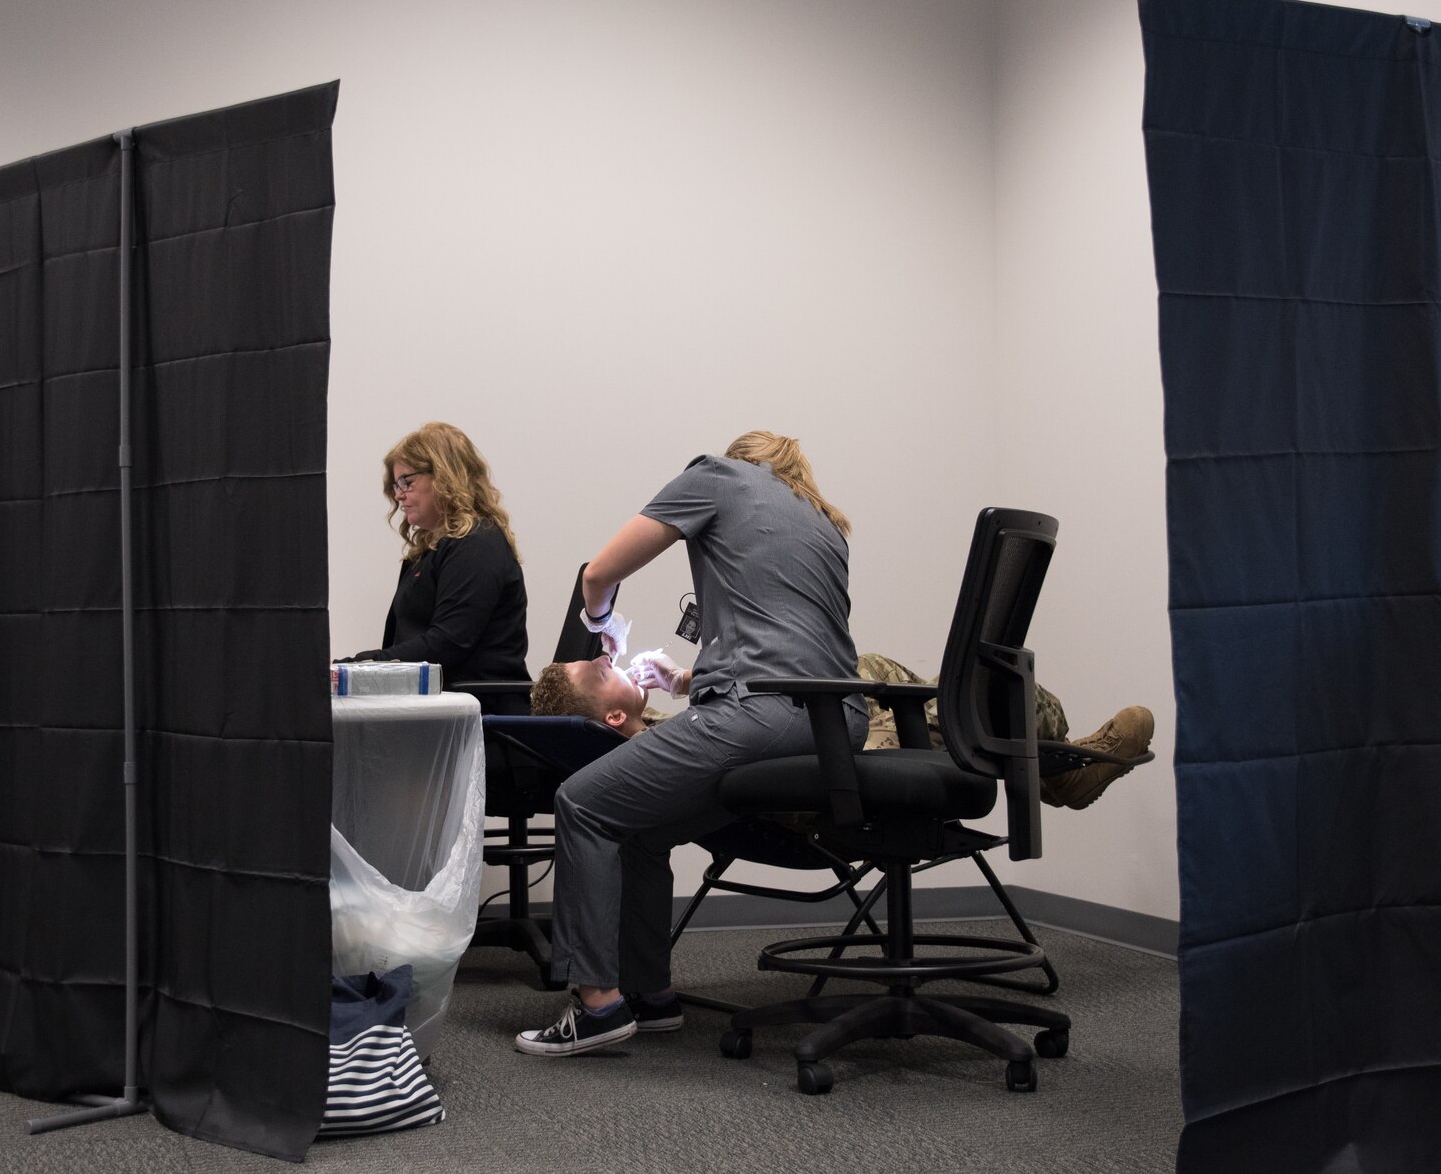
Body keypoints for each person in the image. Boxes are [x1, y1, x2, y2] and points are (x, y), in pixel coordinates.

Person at [513, 431, 867, 1058]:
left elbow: (600, 572)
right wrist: (688, 678)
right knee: (646, 832)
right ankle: (649, 996)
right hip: (840, 725)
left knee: (583, 803)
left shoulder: (718, 476)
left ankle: (594, 1005)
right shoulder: (821, 522)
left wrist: (599, 624)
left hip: (760, 718)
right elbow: (787, 643)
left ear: (742, 458)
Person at [532, 650, 1154, 811]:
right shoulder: (654, 753)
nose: (611, 659)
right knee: (966, 703)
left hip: (812, 734)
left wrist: (689, 681)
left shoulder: (660, 724)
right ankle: (1063, 770)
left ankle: (1059, 769)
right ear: (614, 718)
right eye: (599, 669)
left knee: (949, 689)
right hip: (813, 774)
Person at [341, 422, 529, 696]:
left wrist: (355, 667)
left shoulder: (477, 544)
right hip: (439, 707)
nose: (399, 495)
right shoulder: (430, 552)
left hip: (476, 716)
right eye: (395, 485)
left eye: (407, 481)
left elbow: (446, 644)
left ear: (445, 476)